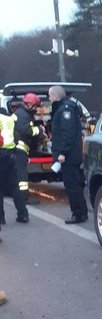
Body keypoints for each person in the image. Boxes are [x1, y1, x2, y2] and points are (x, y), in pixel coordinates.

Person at [48, 86, 87, 224]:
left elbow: (67, 133)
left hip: (69, 156)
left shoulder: (65, 109)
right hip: (71, 154)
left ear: (56, 96)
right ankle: (82, 212)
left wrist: (63, 152)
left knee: (72, 186)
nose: (49, 99)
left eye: (50, 96)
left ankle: (78, 214)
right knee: (75, 184)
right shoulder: (66, 107)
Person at [8, 95, 40, 223]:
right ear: (29, 105)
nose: (37, 109)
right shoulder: (22, 115)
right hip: (18, 152)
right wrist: (40, 130)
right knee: (21, 182)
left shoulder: (21, 114)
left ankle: (21, 212)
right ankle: (23, 208)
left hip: (16, 152)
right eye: (36, 106)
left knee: (16, 182)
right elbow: (26, 131)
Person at [0, 105, 18, 227]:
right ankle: (22, 213)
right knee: (13, 185)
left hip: (1, 153)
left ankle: (1, 218)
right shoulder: (11, 119)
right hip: (11, 154)